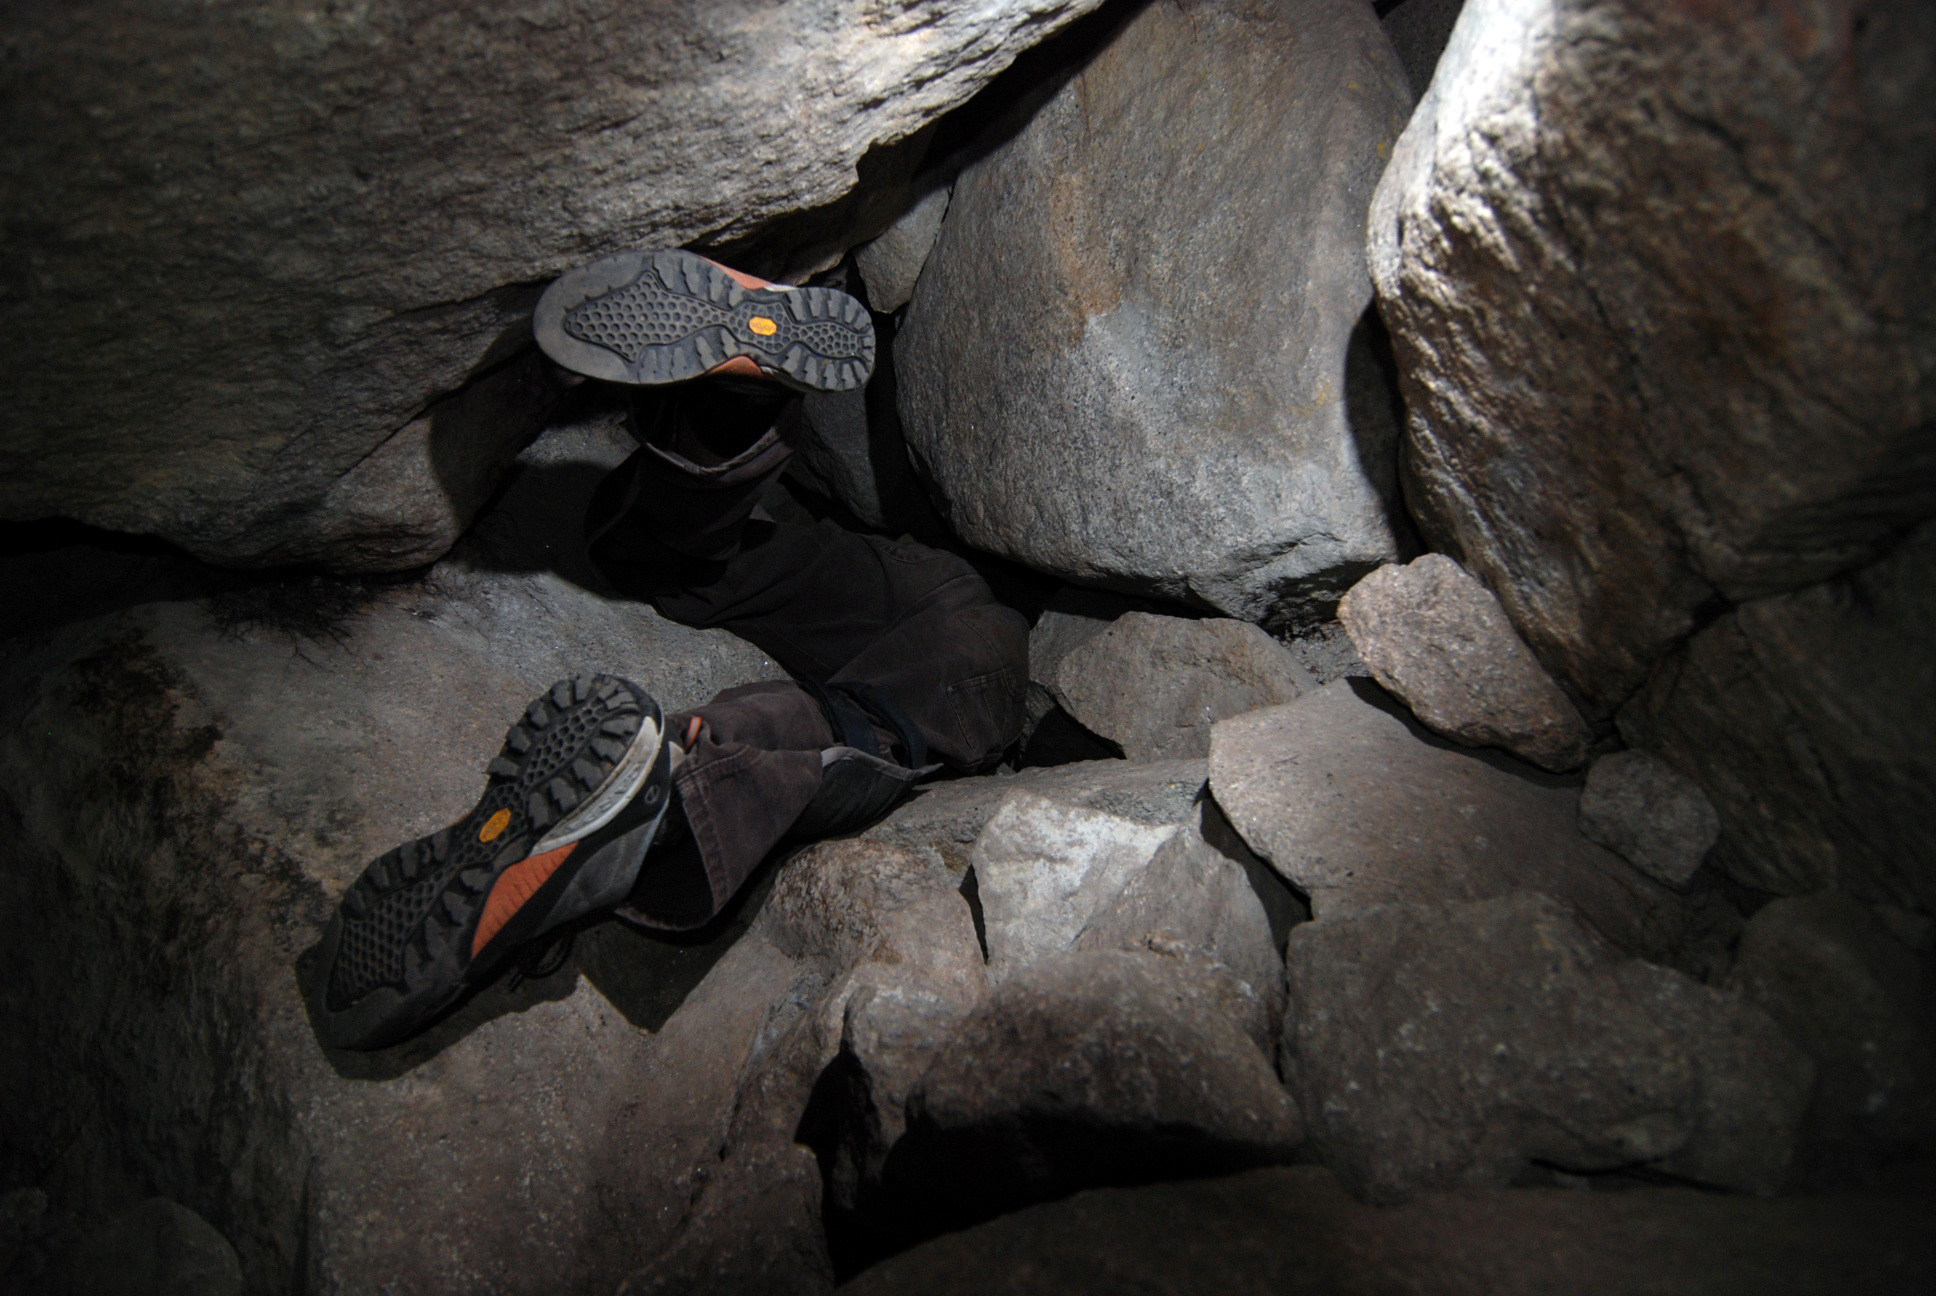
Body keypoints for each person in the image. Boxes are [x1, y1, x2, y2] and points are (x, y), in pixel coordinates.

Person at [308, 248, 1029, 1052]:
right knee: (879, 717)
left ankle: (733, 409)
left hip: (928, 600)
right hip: (961, 625)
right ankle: (669, 789)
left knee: (701, 584)